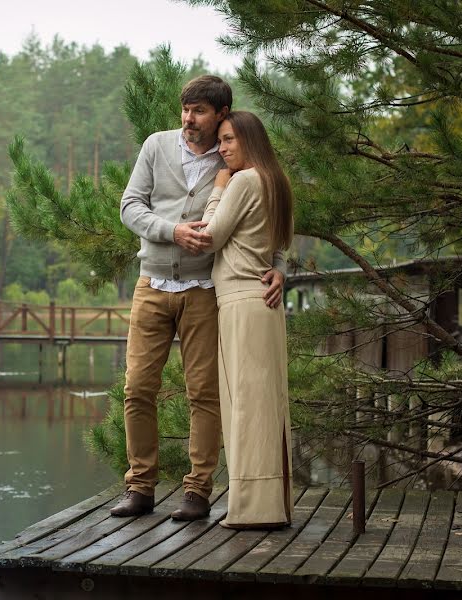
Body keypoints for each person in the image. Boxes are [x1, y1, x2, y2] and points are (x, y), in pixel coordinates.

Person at [111, 76, 286, 520]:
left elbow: (265, 216)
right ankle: (140, 486)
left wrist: (279, 265)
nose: (189, 119)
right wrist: (169, 231)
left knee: (203, 393)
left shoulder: (235, 156)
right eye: (185, 110)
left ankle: (197, 491)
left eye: (200, 112)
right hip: (151, 284)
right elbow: (130, 205)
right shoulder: (156, 145)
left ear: (221, 115)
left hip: (204, 290)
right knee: (137, 388)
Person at [201, 111, 294, 528]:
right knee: (266, 404)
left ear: (249, 140)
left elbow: (210, 237)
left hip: (241, 303)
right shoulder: (277, 182)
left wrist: (217, 189)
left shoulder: (242, 180)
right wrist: (280, 270)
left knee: (245, 407)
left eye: (229, 140)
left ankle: (253, 510)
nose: (222, 150)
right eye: (220, 141)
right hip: (265, 307)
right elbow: (282, 244)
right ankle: (270, 503)